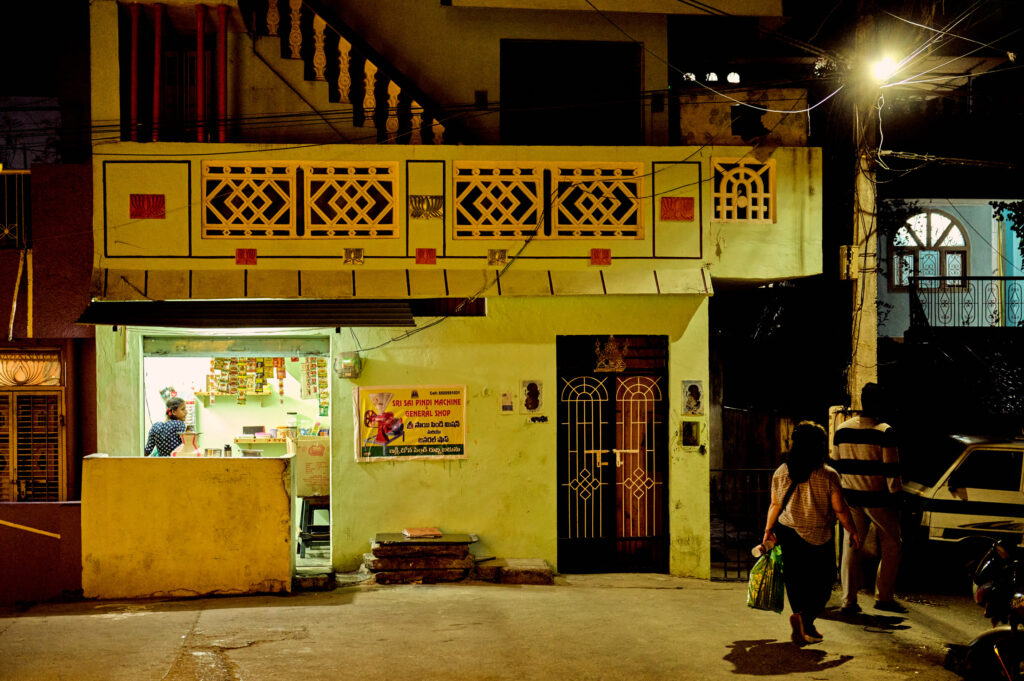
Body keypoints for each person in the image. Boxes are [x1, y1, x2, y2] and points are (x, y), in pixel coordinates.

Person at [763, 421, 860, 645]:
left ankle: (801, 619)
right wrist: (852, 530)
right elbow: (840, 509)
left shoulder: (781, 472)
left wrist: (768, 530)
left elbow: (775, 505)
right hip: (820, 536)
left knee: (795, 580)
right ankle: (806, 620)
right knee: (824, 581)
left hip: (789, 532)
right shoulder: (828, 475)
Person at [832, 382, 905, 615]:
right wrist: (897, 499)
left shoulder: (841, 430)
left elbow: (836, 466)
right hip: (879, 500)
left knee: (851, 546)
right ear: (879, 403)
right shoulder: (885, 432)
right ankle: (884, 597)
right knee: (892, 545)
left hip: (850, 498)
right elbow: (891, 472)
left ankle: (848, 601)